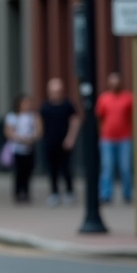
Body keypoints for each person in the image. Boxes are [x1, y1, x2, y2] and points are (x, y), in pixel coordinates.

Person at [39, 78, 81, 207]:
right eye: (53, 91)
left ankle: (69, 192)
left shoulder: (68, 105)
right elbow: (39, 123)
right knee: (52, 169)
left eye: (58, 91)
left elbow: (75, 121)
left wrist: (71, 138)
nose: (56, 93)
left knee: (66, 168)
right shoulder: (45, 107)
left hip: (65, 142)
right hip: (50, 142)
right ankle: (54, 193)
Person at [95, 72, 133, 204]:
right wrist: (101, 133)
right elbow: (100, 117)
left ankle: (128, 194)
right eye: (112, 82)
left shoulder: (128, 97)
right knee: (107, 167)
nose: (114, 84)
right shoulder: (104, 98)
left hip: (125, 137)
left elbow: (133, 117)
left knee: (125, 167)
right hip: (107, 138)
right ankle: (106, 194)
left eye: (117, 82)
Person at [4, 94, 42, 203]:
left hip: (29, 148)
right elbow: (8, 132)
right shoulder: (13, 116)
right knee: (19, 172)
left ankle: (26, 193)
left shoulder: (34, 116)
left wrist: (32, 138)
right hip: (17, 149)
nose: (27, 105)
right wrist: (21, 138)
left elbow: (39, 130)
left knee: (28, 172)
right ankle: (18, 193)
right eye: (24, 103)